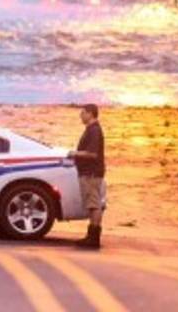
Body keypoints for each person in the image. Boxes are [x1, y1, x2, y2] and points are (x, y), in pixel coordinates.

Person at [69, 103, 106, 249]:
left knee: (94, 204)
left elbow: (92, 153)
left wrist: (74, 153)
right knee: (92, 204)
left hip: (91, 173)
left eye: (83, 113)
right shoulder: (91, 130)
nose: (81, 116)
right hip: (89, 172)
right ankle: (91, 236)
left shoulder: (94, 131)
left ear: (90, 113)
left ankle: (94, 238)